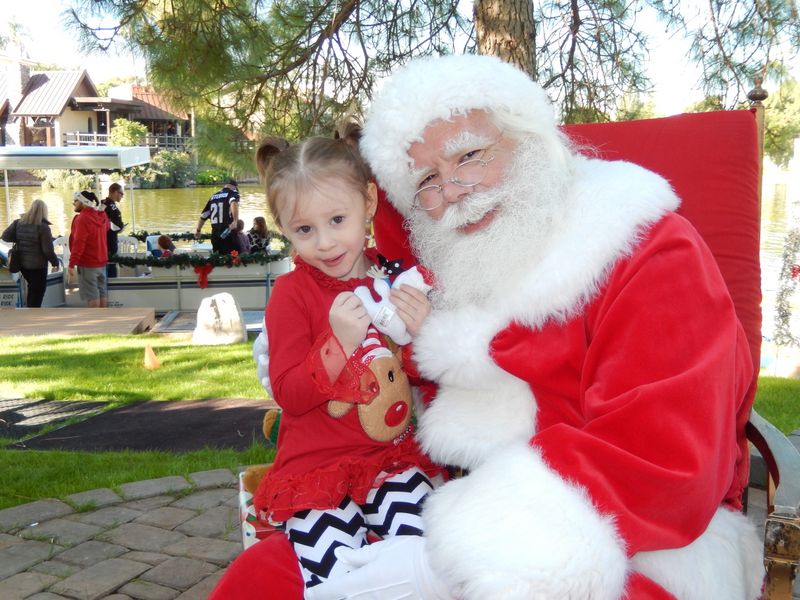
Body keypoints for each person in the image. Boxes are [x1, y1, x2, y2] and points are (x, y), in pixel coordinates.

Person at [212, 55, 764, 600]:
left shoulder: (644, 246)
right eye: (427, 180)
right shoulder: (456, 266)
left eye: (470, 155)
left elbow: (667, 461)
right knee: (256, 585)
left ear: (526, 138)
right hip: (441, 503)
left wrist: (460, 555)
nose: (453, 190)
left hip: (628, 543)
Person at [248, 134, 442, 592]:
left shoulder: (391, 278)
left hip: (389, 459)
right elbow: (291, 395)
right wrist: (336, 343)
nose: (326, 242)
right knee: (338, 577)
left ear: (368, 201)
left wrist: (422, 334)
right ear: (284, 228)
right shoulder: (293, 296)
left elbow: (414, 375)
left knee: (433, 551)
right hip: (316, 470)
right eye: (304, 230)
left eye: (338, 219)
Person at [1, 199, 59, 307]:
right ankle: (33, 316)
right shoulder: (43, 227)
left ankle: (29, 313)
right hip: (38, 266)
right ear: (44, 212)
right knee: (37, 293)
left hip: (22, 265)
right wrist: (55, 263)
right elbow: (48, 250)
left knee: (32, 288)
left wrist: (19, 238)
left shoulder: (18, 223)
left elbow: (4, 236)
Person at [69, 190, 110, 308]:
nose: (74, 203)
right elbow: (107, 227)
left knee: (92, 294)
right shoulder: (101, 215)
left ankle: (94, 322)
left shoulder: (82, 218)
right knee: (101, 292)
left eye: (76, 200)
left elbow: (79, 243)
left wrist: (72, 263)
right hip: (101, 261)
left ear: (83, 202)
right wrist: (102, 213)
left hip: (88, 262)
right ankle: (104, 321)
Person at [195, 179, 239, 253]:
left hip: (215, 235)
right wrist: (235, 221)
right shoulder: (233, 193)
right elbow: (233, 202)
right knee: (231, 258)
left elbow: (204, 215)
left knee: (217, 258)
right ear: (234, 187)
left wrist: (198, 230)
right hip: (228, 232)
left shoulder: (213, 197)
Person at [102, 182, 125, 278]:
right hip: (110, 243)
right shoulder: (114, 209)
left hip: (100, 243)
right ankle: (111, 291)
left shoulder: (100, 204)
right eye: (121, 193)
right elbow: (118, 227)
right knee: (111, 271)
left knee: (102, 271)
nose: (122, 196)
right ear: (115, 192)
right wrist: (121, 227)